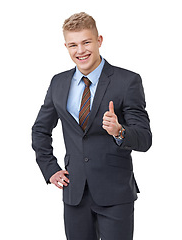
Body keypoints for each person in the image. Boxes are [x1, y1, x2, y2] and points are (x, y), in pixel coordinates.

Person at [32, 12, 152, 240]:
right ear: (66, 46)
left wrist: (119, 131)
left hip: (115, 194)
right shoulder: (58, 82)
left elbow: (145, 139)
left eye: (86, 42)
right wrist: (50, 169)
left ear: (99, 41)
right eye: (73, 45)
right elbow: (40, 129)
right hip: (75, 192)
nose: (80, 51)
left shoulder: (127, 81)